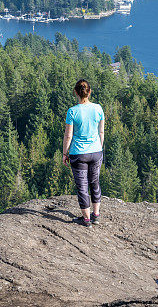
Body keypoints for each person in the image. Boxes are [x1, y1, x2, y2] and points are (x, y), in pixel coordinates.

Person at [63, 79, 105, 227]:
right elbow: (101, 132)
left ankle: (86, 219)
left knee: (82, 186)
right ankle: (96, 215)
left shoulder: (72, 111)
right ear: (89, 92)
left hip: (79, 153)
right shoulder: (98, 108)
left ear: (75, 92)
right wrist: (99, 148)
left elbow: (68, 136)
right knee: (95, 183)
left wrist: (65, 153)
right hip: (96, 152)